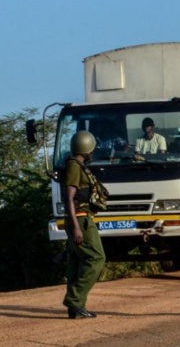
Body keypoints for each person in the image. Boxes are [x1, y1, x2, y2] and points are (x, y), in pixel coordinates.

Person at [61, 130, 106, 319]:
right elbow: (69, 198)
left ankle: (76, 307)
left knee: (77, 261)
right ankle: (74, 299)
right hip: (80, 219)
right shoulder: (74, 167)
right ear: (87, 149)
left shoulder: (77, 166)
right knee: (96, 258)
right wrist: (77, 226)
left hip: (79, 219)